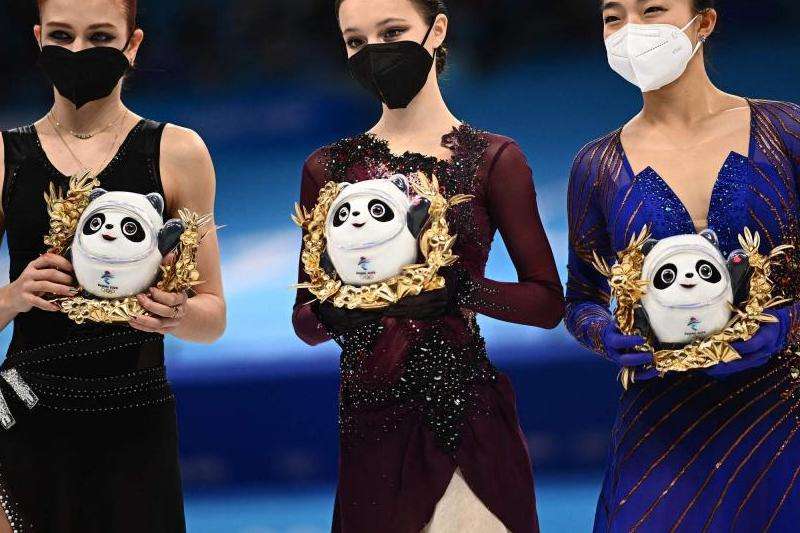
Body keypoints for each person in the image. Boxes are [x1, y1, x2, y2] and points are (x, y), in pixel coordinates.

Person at [292, 1, 564, 532]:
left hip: (464, 419)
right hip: (370, 427)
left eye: (392, 32)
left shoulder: (492, 158)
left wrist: (462, 289)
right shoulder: (327, 169)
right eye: (356, 41)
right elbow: (304, 320)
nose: (375, 52)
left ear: (436, 30)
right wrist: (339, 314)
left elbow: (548, 304)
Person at [566, 0, 800, 531]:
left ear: (705, 21)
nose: (631, 30)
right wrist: (606, 335)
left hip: (784, 414)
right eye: (613, 18)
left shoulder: (787, 131)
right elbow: (580, 299)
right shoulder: (596, 166)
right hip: (662, 427)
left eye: (652, 10)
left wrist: (788, 324)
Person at [0, 0, 226, 531]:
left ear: (133, 44)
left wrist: (176, 316)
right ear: (38, 38)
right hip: (25, 409)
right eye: (62, 36)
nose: (79, 50)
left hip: (135, 420)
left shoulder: (177, 152)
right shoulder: (6, 157)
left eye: (100, 37)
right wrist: (12, 297)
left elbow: (213, 317)